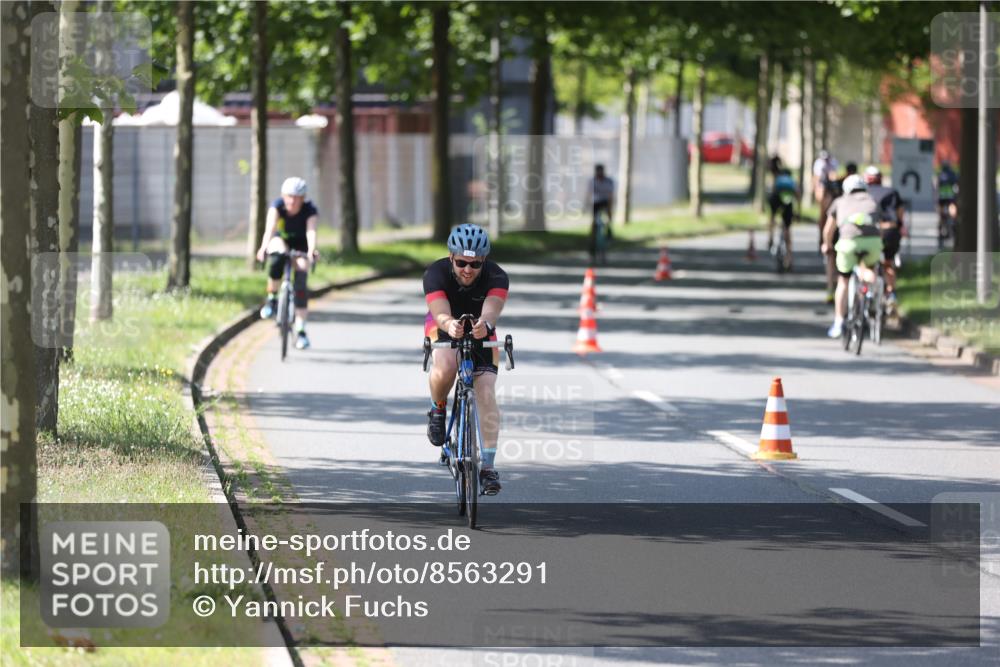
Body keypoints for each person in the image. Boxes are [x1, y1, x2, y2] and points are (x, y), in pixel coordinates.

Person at [423, 224, 508, 495]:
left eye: (475, 264)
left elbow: (492, 309)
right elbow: (439, 312)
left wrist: (485, 323)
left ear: (484, 261)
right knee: (446, 364)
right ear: (451, 257)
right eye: (461, 262)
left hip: (481, 327)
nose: (468, 270)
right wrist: (449, 325)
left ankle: (488, 468)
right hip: (445, 322)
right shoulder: (435, 273)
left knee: (485, 391)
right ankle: (438, 408)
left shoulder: (497, 276)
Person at [256, 177, 319, 350]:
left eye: (296, 197)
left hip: (301, 245)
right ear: (283, 196)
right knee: (276, 257)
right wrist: (263, 249)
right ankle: (272, 299)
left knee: (301, 280)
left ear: (303, 198)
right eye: (289, 196)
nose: (292, 201)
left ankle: (300, 330)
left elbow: (311, 231)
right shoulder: (277, 207)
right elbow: (270, 229)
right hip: (281, 241)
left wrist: (312, 250)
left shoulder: (309, 210)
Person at [821, 174, 883, 338]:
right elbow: (880, 225)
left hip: (848, 243)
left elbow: (828, 229)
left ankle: (838, 322)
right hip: (872, 243)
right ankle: (874, 293)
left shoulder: (839, 202)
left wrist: (826, 244)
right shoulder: (872, 200)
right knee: (869, 268)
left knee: (843, 280)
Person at [863, 165, 905, 311]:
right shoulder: (892, 192)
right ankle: (891, 294)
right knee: (888, 263)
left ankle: (866, 293)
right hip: (890, 230)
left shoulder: (863, 193)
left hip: (871, 231)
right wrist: (899, 227)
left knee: (865, 263)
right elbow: (900, 213)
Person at [768, 168, 799, 266]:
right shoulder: (792, 181)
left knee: (772, 217)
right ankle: (789, 257)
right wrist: (798, 211)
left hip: (776, 198)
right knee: (787, 228)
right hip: (787, 202)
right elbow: (797, 194)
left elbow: (773, 191)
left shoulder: (778, 179)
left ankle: (771, 237)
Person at [586, 164, 615, 261]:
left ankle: (606, 245)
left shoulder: (609, 181)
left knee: (607, 225)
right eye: (598, 171)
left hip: (605, 204)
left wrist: (610, 212)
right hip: (596, 204)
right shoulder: (592, 181)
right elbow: (589, 196)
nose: (599, 173)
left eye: (601, 171)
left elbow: (610, 196)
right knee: (594, 228)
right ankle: (592, 252)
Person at [936, 160, 959, 239]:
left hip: (941, 197)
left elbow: (937, 186)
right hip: (950, 197)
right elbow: (956, 184)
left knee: (941, 215)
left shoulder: (940, 174)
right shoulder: (952, 174)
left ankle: (941, 227)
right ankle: (953, 221)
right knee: (953, 212)